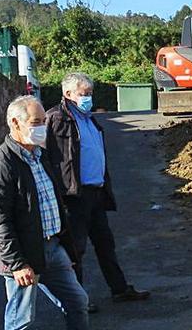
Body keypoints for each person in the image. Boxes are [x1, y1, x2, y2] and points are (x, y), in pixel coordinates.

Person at [0, 95, 122, 330]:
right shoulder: (1, 165)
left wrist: (65, 244)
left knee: (78, 300)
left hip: (52, 247)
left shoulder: (41, 155)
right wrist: (18, 264)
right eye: (35, 123)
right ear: (14, 124)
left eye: (43, 122)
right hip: (23, 259)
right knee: (20, 321)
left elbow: (53, 202)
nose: (42, 128)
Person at [46, 72, 149, 313]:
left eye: (90, 93)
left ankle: (119, 289)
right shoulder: (56, 119)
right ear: (68, 94)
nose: (88, 98)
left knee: (105, 243)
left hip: (95, 193)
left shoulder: (88, 118)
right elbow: (50, 158)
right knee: (75, 249)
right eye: (84, 94)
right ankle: (76, 299)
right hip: (74, 196)